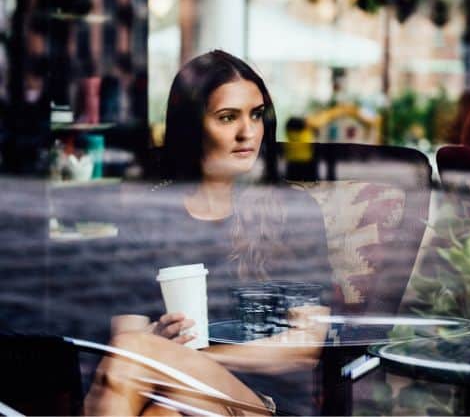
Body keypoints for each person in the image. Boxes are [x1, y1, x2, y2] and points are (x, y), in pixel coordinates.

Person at [84, 50, 333, 416]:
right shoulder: (150, 214)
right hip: (170, 396)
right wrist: (158, 342)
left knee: (140, 364)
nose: (248, 132)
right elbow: (126, 335)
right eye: (227, 117)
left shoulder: (292, 212)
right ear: (193, 126)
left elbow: (304, 347)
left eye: (256, 114)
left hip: (263, 405)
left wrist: (170, 356)